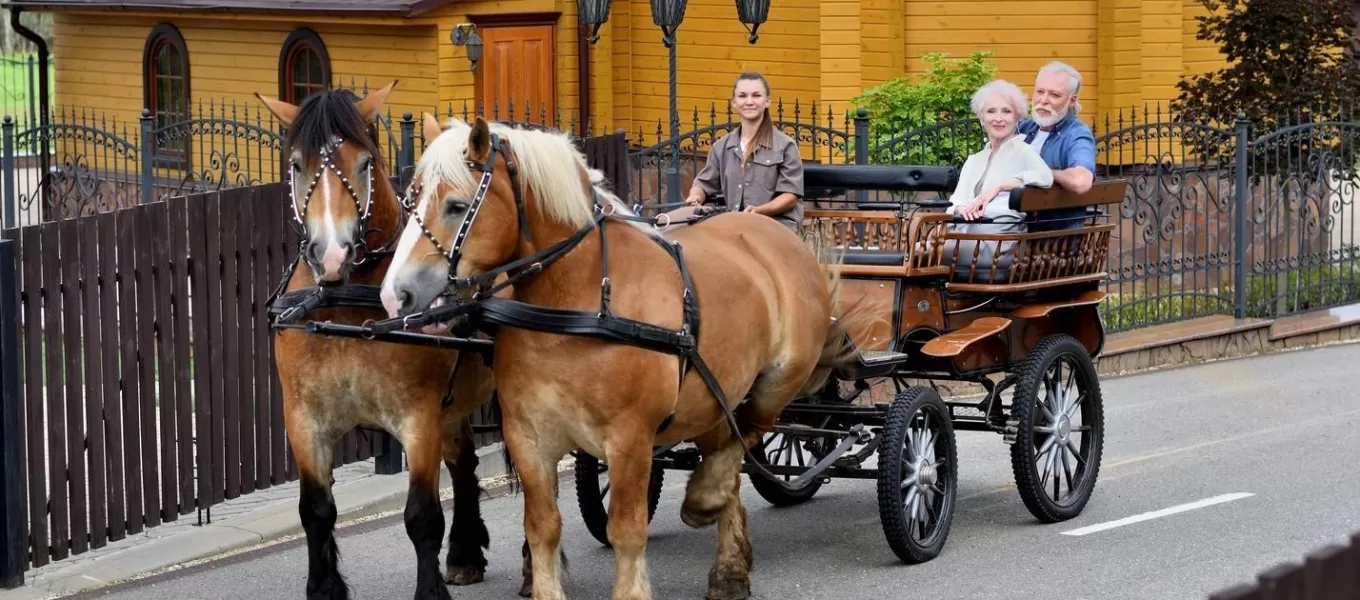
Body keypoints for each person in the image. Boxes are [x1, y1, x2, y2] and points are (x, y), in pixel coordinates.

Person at [683, 72, 805, 232]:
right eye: (742, 96)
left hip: (777, 228)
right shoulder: (721, 147)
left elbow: (790, 196)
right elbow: (703, 184)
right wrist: (696, 196)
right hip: (736, 228)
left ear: (767, 101)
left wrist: (759, 211)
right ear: (734, 102)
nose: (749, 102)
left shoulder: (785, 145)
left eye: (756, 95)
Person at [946, 79, 1054, 233]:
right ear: (981, 119)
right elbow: (956, 200)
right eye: (991, 111)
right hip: (966, 229)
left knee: (924, 251)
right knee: (922, 248)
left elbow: (1045, 177)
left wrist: (1000, 186)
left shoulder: (1024, 151)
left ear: (1017, 118)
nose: (998, 118)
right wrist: (963, 210)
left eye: (1006, 111)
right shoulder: (974, 160)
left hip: (1000, 236)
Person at [1015, 60, 1098, 231]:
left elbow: (1081, 181)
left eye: (1054, 95)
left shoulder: (1076, 134)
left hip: (1049, 240)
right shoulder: (1025, 128)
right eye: (1039, 92)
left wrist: (1040, 172)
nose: (1043, 100)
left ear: (1072, 100)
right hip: (1012, 226)